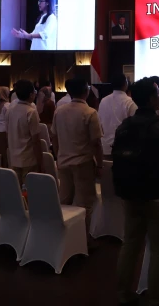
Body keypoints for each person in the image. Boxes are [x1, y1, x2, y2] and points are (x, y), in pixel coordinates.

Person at [113, 78, 159, 306]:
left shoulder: (124, 126)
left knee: (130, 244)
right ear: (150, 99)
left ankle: (123, 293)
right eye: (156, 93)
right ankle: (155, 298)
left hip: (130, 195)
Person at [51, 78, 103, 243]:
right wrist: (100, 164)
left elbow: (54, 137)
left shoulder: (59, 111)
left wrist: (58, 156)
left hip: (63, 161)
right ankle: (82, 240)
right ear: (86, 91)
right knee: (84, 203)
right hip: (83, 162)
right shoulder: (90, 112)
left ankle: (62, 236)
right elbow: (96, 143)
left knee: (64, 201)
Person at [5, 80, 42, 187]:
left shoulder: (10, 110)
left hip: (13, 157)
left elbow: (7, 134)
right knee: (30, 191)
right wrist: (40, 161)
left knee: (16, 191)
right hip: (28, 159)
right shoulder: (31, 111)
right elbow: (36, 140)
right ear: (31, 95)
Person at [97, 74, 137, 157]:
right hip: (124, 149)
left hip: (105, 147)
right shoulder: (130, 102)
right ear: (126, 84)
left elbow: (99, 123)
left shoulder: (103, 101)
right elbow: (135, 126)